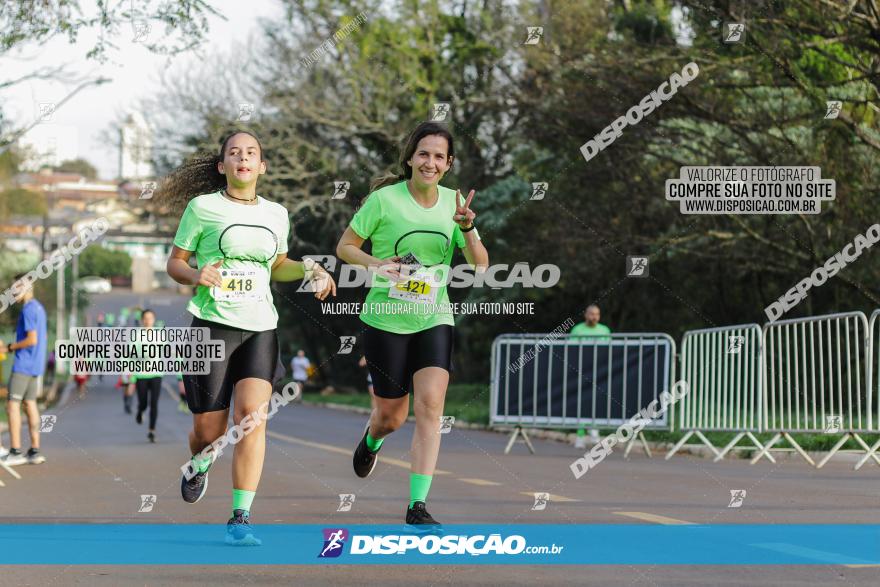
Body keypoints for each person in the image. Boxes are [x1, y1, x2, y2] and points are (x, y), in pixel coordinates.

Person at [162, 130, 336, 545]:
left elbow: (278, 264)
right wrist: (194, 274)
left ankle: (240, 517)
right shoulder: (202, 208)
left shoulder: (277, 213)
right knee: (209, 431)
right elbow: (175, 262)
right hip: (211, 325)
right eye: (234, 153)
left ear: (262, 167)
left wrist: (311, 268)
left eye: (251, 153)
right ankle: (200, 462)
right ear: (222, 166)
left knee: (252, 420)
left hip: (260, 326)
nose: (243, 158)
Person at [336, 122, 489, 526]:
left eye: (439, 156)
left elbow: (480, 265)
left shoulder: (454, 205)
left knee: (431, 407)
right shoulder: (384, 201)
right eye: (424, 154)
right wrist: (375, 264)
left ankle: (416, 506)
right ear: (410, 158)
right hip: (385, 318)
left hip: (434, 317)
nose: (430, 162)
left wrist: (468, 228)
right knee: (391, 416)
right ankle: (372, 439)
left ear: (448, 164)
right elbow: (345, 246)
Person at [0, 273, 48, 465]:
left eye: (17, 288)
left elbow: (32, 339)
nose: (14, 292)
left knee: (12, 406)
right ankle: (34, 451)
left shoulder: (28, 310)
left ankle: (15, 451)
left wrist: (9, 347)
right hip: (35, 365)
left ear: (28, 287)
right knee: (30, 405)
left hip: (23, 365)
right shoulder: (39, 308)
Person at [569, 304, 612, 446]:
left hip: (599, 373)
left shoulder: (604, 330)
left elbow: (610, 351)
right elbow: (571, 351)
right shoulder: (577, 330)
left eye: (597, 314)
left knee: (597, 401)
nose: (594, 317)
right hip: (581, 372)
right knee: (581, 403)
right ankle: (580, 436)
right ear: (585, 314)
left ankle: (594, 431)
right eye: (591, 314)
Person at [131, 309, 163, 443]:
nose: (148, 320)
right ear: (142, 320)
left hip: (156, 373)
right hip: (141, 374)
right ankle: (140, 410)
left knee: (154, 403)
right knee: (143, 402)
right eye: (145, 318)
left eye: (150, 318)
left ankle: (152, 430)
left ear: (154, 320)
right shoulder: (136, 335)